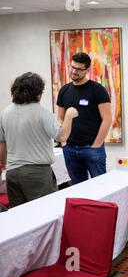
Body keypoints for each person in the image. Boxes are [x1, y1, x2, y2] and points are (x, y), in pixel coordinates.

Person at [0, 72, 78, 208]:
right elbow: (62, 136)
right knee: (44, 214)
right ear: (37, 92)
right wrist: (69, 115)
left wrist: (1, 166)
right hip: (36, 174)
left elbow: (2, 143)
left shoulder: (5, 112)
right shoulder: (41, 112)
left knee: (19, 216)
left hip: (12, 174)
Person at [57, 52, 112, 185]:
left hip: (91, 148)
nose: (74, 71)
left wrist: (96, 145)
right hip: (69, 148)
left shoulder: (98, 90)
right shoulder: (64, 90)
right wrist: (64, 143)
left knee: (100, 187)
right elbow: (59, 118)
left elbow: (107, 119)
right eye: (72, 67)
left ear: (87, 70)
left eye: (79, 69)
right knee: (78, 188)